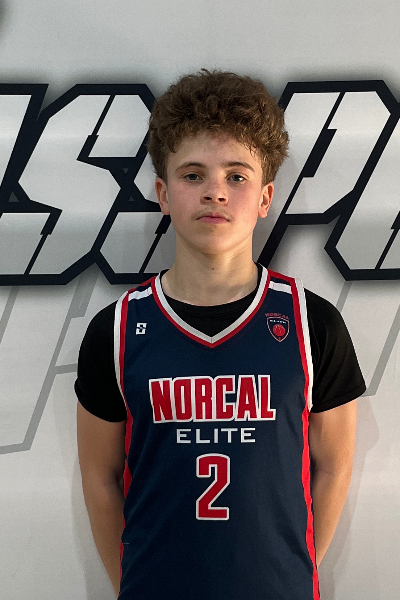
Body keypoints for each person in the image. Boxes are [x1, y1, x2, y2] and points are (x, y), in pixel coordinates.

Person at [76, 70, 365, 600]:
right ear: (163, 194)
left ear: (265, 197)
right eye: (193, 175)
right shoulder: (114, 332)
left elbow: (333, 466)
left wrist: (291, 574)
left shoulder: (312, 324)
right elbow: (100, 479)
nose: (215, 191)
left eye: (237, 176)